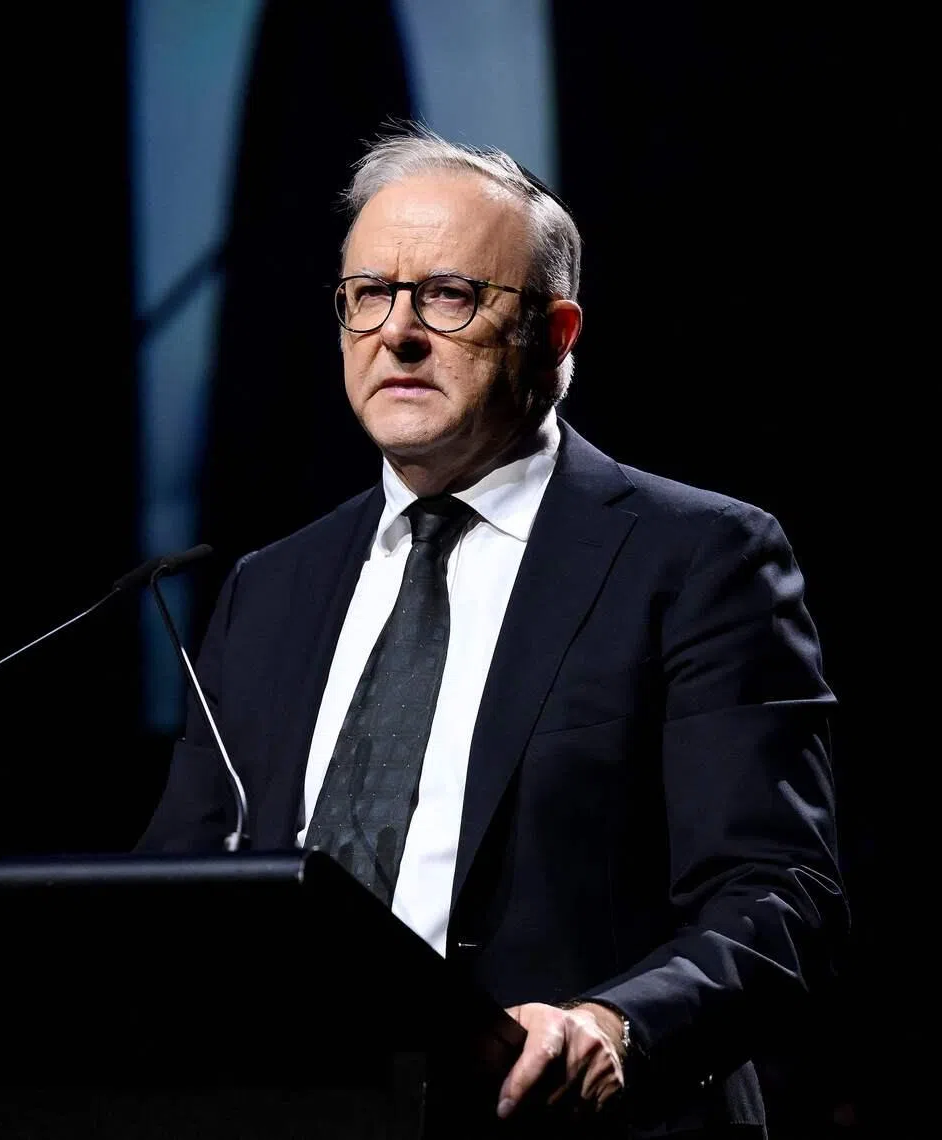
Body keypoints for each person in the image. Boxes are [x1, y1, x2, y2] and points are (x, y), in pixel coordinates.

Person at [137, 124, 847, 1138]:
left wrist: (616, 1025)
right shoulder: (271, 587)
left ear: (556, 338)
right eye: (370, 294)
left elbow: (782, 897)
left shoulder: (698, 559)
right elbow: (178, 899)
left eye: (450, 296)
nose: (399, 332)